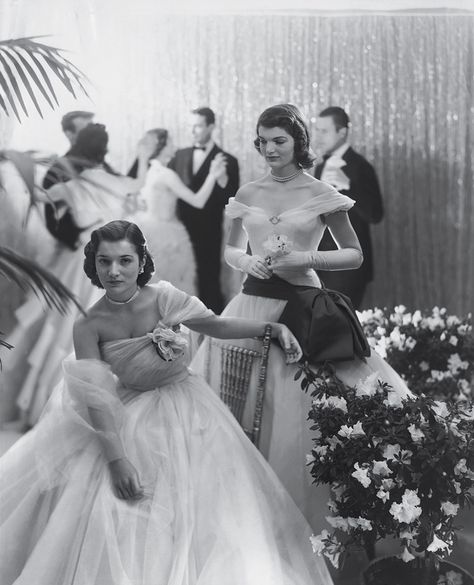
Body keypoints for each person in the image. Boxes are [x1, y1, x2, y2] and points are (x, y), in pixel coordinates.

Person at [0, 220, 333, 585]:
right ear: (93, 265)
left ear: (141, 262)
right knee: (114, 509)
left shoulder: (164, 298)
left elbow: (217, 326)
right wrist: (117, 460)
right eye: (104, 261)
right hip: (128, 414)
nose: (114, 271)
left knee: (207, 512)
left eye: (125, 260)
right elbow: (96, 397)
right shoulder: (88, 325)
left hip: (190, 410)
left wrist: (274, 328)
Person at [190, 104, 412, 533]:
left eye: (279, 140)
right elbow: (231, 249)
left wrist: (304, 257)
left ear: (298, 143)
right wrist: (246, 262)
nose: (269, 149)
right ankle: (239, 508)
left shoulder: (320, 192)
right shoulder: (249, 192)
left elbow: (354, 253)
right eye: (263, 141)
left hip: (302, 306)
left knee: (295, 415)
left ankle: (293, 517)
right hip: (251, 304)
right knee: (238, 401)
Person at [3, 124, 153, 429]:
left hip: (84, 257)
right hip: (117, 258)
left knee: (68, 328)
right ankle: (120, 403)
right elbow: (137, 183)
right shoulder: (114, 179)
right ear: (104, 149)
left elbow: (41, 196)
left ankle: (58, 407)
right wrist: (144, 153)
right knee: (118, 324)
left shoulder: (72, 184)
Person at [130, 128, 227, 295]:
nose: (174, 145)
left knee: (153, 287)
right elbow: (198, 201)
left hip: (147, 231)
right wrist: (212, 174)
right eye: (170, 142)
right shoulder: (166, 175)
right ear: (161, 146)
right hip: (167, 236)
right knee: (172, 288)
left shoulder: (148, 172)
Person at [168, 107, 240, 313]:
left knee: (208, 282)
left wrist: (222, 179)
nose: (193, 131)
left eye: (198, 126)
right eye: (190, 126)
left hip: (209, 232)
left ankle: (212, 333)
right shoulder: (178, 156)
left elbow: (231, 199)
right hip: (178, 233)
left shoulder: (228, 160)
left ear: (211, 127)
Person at [314, 106, 384, 309]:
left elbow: (375, 214)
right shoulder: (319, 166)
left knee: (343, 328)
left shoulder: (361, 166)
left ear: (342, 132)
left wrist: (349, 187)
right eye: (317, 130)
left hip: (348, 265)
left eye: (324, 131)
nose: (318, 136)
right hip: (319, 262)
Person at [43, 110, 95, 250]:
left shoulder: (102, 165)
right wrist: (79, 240)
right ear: (69, 134)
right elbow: (52, 220)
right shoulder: (56, 171)